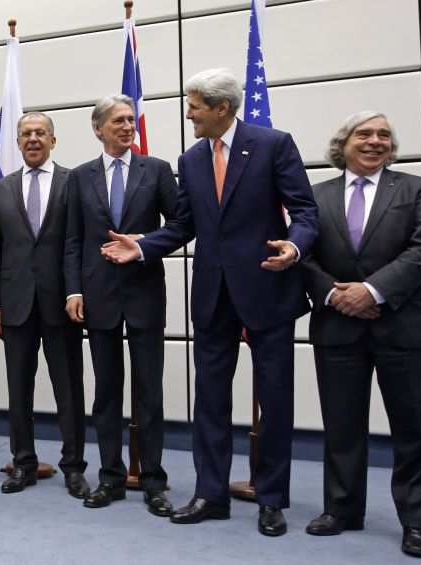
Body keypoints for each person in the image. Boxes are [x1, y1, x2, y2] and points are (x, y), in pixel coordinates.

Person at [101, 68, 318, 536]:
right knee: (210, 401)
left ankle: (271, 498)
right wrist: (140, 247)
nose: (188, 113)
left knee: (275, 399)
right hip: (213, 296)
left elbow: (304, 211)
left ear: (222, 108)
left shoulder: (273, 144)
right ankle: (211, 493)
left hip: (268, 287)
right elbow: (184, 225)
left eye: (195, 105)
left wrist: (295, 246)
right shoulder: (192, 158)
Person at [301, 112, 421, 558]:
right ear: (342, 144)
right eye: (364, 134)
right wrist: (332, 293)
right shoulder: (313, 197)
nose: (375, 141)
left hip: (408, 326)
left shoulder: (418, 189)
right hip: (337, 324)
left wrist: (372, 291)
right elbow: (300, 255)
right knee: (342, 426)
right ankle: (342, 509)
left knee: (419, 429)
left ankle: (418, 522)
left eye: (384, 134)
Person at [62, 96, 179, 514]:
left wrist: (145, 246)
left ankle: (152, 480)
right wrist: (73, 291)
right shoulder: (79, 177)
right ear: (98, 129)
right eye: (118, 121)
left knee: (149, 392)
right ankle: (110, 477)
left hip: (145, 293)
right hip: (98, 298)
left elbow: (182, 224)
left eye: (131, 120)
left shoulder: (158, 170)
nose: (128, 127)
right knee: (107, 392)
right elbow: (72, 240)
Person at [0, 112, 89, 499]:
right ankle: (23, 463)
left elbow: (76, 244)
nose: (33, 139)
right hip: (14, 305)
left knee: (69, 390)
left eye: (40, 133)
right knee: (18, 390)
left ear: (53, 140)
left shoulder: (72, 182)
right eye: (26, 133)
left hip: (61, 303)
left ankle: (74, 467)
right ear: (17, 142)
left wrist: (76, 291)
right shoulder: (3, 188)